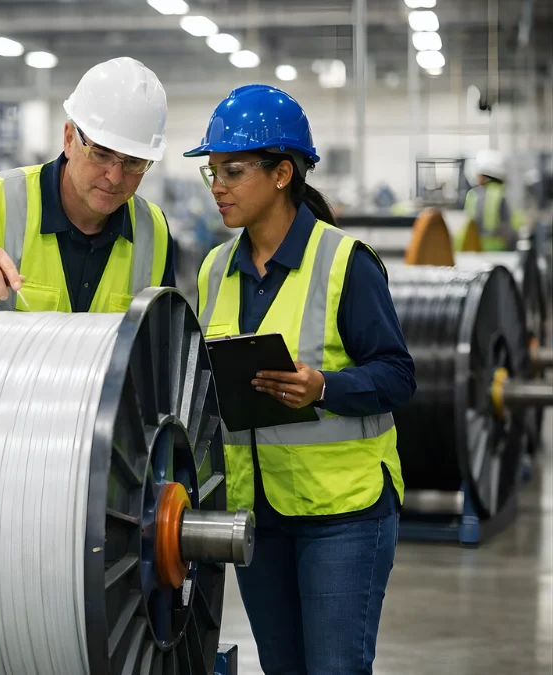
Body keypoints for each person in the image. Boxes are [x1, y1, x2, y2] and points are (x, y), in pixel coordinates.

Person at [187, 85, 416, 675]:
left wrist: (324, 389)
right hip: (257, 517)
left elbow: (397, 376)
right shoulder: (215, 270)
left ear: (282, 173)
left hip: (344, 515)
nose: (218, 187)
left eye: (233, 172)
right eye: (212, 173)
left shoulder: (346, 262)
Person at [0, 57, 176, 312]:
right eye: (100, 154)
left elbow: (165, 346)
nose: (115, 176)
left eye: (134, 163)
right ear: (68, 139)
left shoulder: (154, 231)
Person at [457, 149, 524, 251]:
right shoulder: (504, 194)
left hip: (477, 249)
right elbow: (513, 226)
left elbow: (468, 227)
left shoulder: (473, 195)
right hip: (503, 251)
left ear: (483, 176)